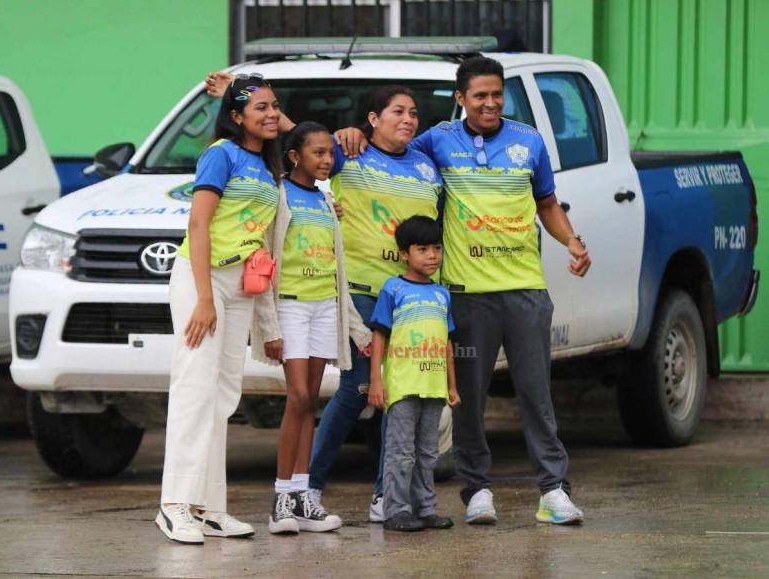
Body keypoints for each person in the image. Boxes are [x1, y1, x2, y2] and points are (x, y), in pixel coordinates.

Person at [336, 56, 592, 525]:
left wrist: (572, 240)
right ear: (461, 100)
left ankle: (553, 490)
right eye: (480, 96)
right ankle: (477, 490)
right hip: (466, 295)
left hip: (525, 290)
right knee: (469, 397)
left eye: (497, 94)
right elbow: (387, 142)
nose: (490, 103)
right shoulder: (436, 141)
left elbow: (548, 204)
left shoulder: (529, 141)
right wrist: (347, 133)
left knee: (536, 394)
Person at [205, 75, 442, 521]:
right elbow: (301, 144)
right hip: (324, 298)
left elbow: (341, 267)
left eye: (413, 113)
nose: (408, 119)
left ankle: (336, 496)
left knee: (344, 396)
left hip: (370, 302)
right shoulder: (321, 170)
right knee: (324, 394)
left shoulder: (412, 169)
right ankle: (296, 491)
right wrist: (237, 93)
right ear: (372, 120)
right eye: (397, 111)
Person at [157, 74, 283, 544]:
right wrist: (205, 298)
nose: (271, 115)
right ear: (235, 117)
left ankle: (208, 507)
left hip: (242, 287)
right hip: (202, 279)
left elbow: (291, 131)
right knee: (194, 387)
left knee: (224, 395)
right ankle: (174, 504)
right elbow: (198, 223)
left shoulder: (267, 163)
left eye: (274, 106)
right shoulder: (221, 154)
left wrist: (247, 90)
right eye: (259, 109)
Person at [249, 122, 371, 534]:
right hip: (290, 308)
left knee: (311, 401)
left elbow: (337, 271)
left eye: (329, 153)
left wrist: (356, 329)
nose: (326, 161)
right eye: (317, 153)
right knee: (297, 397)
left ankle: (303, 498)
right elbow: (263, 258)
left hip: (325, 308)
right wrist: (268, 325)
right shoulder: (277, 195)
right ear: (294, 156)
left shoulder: (325, 199)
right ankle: (281, 498)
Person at [368, 216, 460, 532]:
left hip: (434, 388)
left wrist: (452, 385)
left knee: (428, 453)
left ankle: (426, 509)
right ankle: (396, 510)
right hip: (403, 386)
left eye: (436, 248)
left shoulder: (442, 294)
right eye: (422, 249)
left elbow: (447, 342)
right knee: (401, 452)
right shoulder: (393, 289)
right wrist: (377, 381)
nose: (432, 255)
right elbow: (379, 336)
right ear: (405, 254)